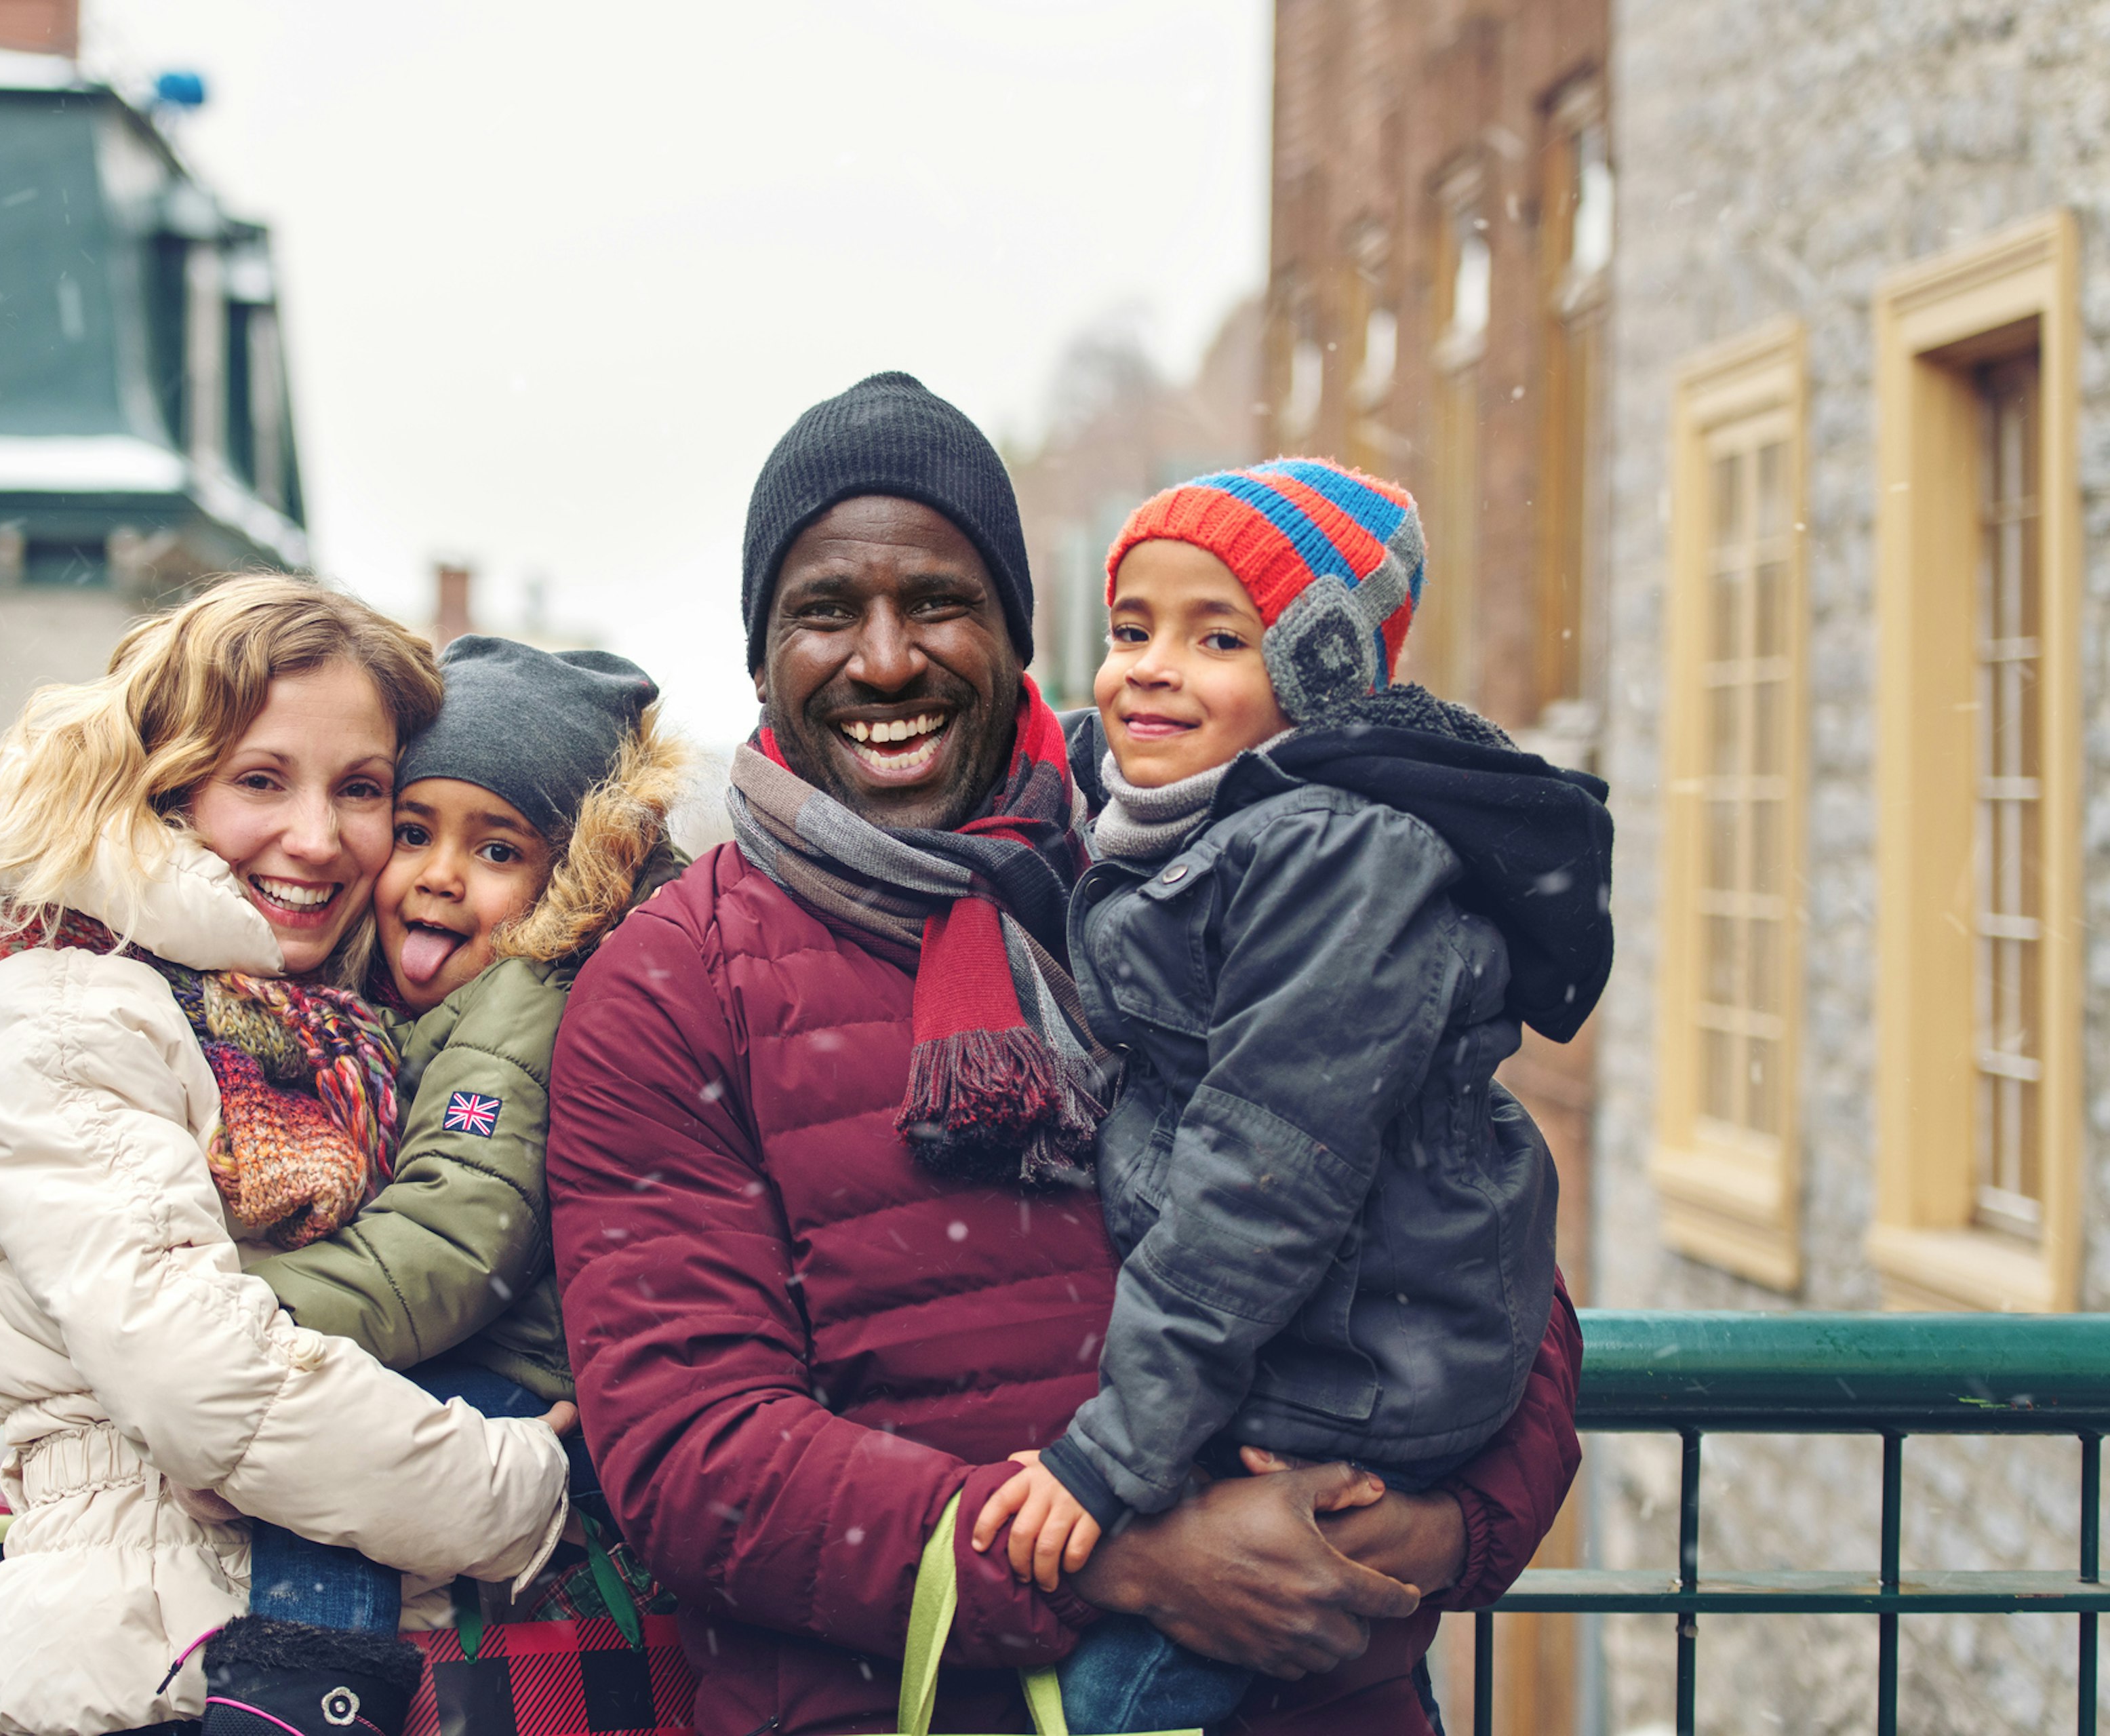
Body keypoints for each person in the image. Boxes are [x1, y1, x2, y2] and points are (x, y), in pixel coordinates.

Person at [547, 372, 1587, 1735]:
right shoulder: (673, 982)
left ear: (1017, 636)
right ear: (759, 657)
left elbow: (1472, 1228)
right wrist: (1120, 1557)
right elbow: (698, 1459)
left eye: (936, 603)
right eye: (823, 611)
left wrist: (1450, 1524)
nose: (883, 659)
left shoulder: (1224, 873)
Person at [970, 462, 1612, 1732]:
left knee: (1118, 1701)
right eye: (1131, 629)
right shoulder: (1190, 819)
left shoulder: (1336, 853)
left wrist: (1109, 1458)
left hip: (1345, 1355)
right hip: (1310, 1335)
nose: (1150, 668)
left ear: (1321, 673)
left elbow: (1263, 1172)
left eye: (1220, 637)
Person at [0, 578, 573, 1736]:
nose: (320, 839)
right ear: (167, 784)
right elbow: (204, 1381)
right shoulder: (77, 1010)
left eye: (364, 790)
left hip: (308, 1663)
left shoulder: (322, 1022)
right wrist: (510, 1487)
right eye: (262, 782)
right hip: (150, 1667)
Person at [243, 635, 688, 1634]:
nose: (441, 877)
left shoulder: (523, 1002)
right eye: (413, 832)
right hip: (471, 1364)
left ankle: (305, 1689)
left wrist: (232, 1303)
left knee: (330, 1463)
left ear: (572, 881)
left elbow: (452, 1244)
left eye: (497, 851)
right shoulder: (402, 1005)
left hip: (521, 1383)